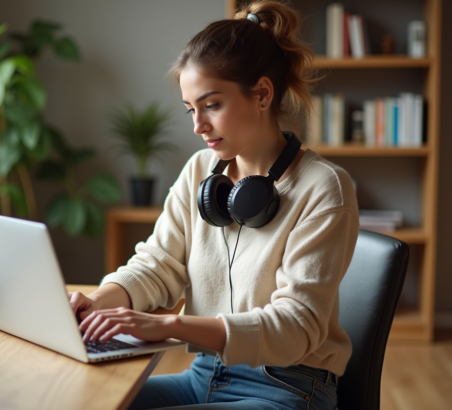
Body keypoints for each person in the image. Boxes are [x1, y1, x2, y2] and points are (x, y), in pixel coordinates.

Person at [69, 1, 359, 408]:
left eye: (212, 105)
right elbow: (158, 264)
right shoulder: (202, 171)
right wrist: (100, 300)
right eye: (191, 109)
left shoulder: (324, 188)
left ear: (261, 93)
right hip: (205, 374)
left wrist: (170, 325)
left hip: (288, 387)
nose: (197, 125)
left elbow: (296, 326)